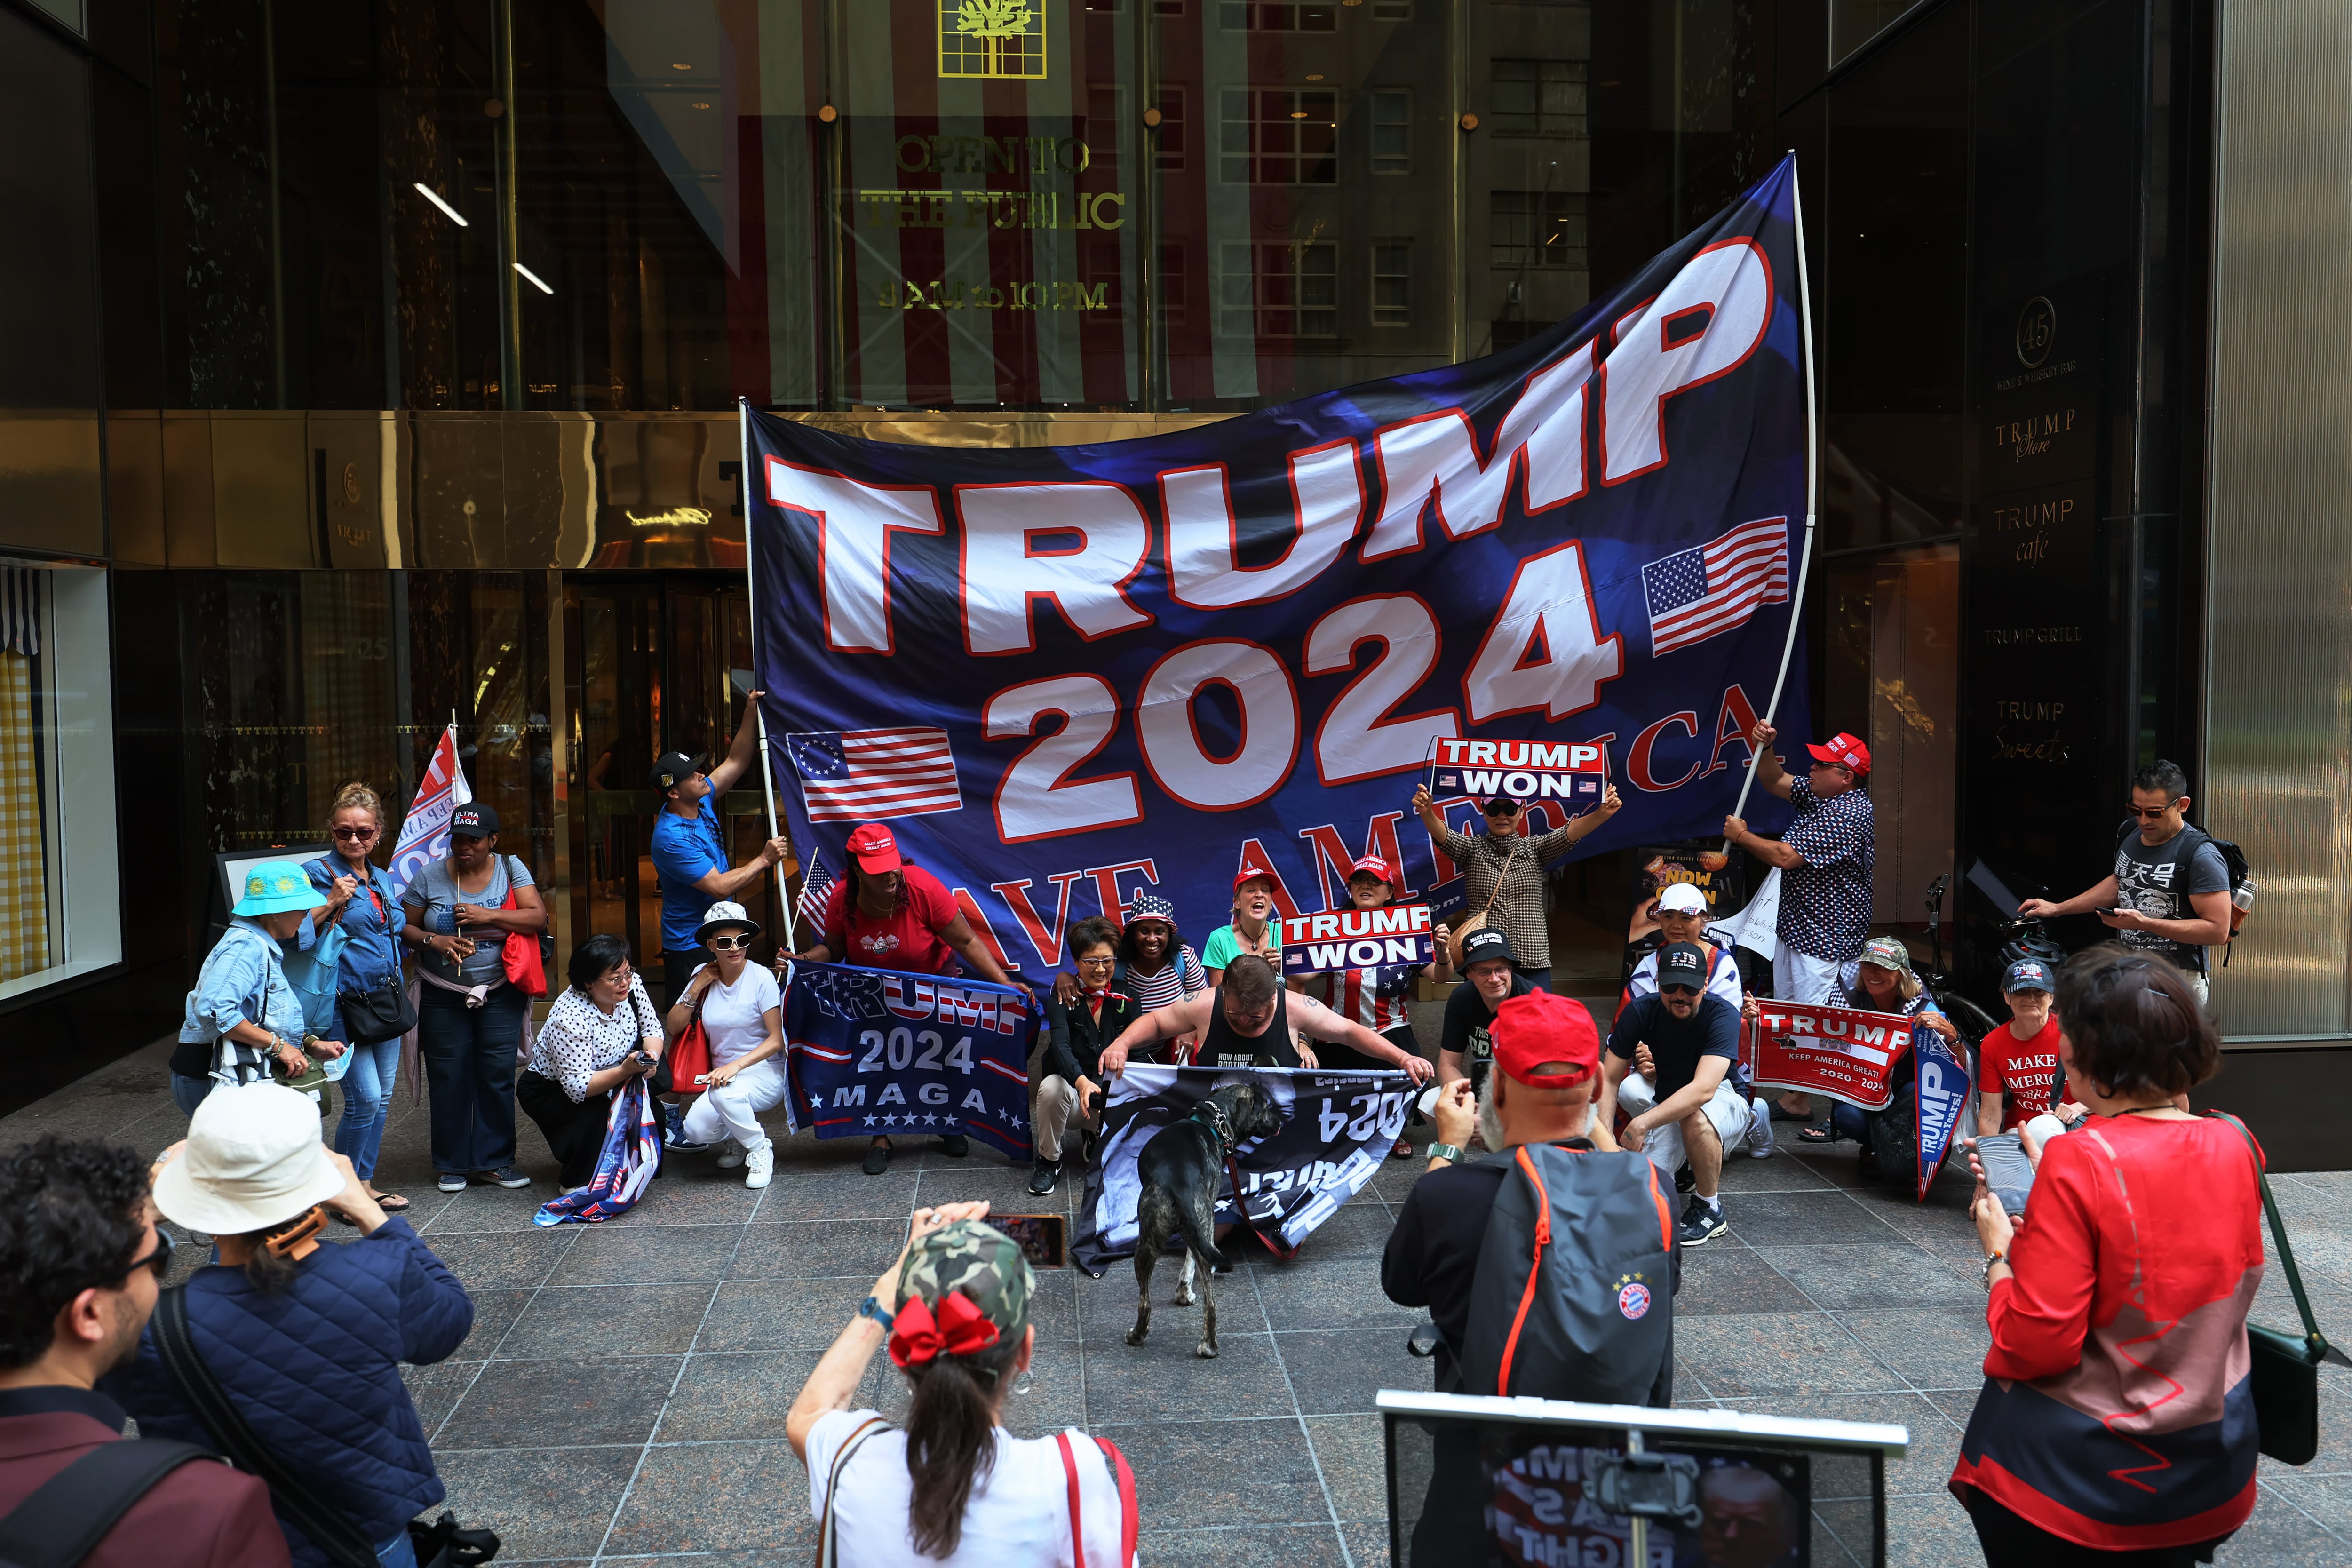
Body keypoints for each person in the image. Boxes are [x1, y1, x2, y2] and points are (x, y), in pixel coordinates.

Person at [1951, 946, 2261, 1565]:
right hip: (2213, 1467)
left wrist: (2002, 1256)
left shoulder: (2079, 1160)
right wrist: (2053, 1196)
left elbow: (2033, 1342)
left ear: (2086, 1054)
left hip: (2088, 1487)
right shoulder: (2237, 1140)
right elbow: (2160, 1223)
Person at [106, 1083, 474, 1568]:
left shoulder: (154, 1326)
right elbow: (448, 1324)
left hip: (232, 1544)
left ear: (197, 1195)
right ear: (321, 1181)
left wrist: (142, 1212)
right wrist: (367, 1209)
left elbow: (74, 1338)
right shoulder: (375, 1272)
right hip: (365, 1538)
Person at [1383, 992, 1669, 1564]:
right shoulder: (1654, 1193)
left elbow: (1402, 1284)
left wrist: (1446, 1145)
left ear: (1497, 1090)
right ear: (1594, 1089)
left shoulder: (1447, 1195)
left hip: (1481, 1477)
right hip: (1612, 1484)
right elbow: (1625, 1174)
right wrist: (1596, 1129)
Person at [786, 1206, 1134, 1565]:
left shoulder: (849, 1458)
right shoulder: (1069, 1478)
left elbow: (809, 1412)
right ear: (1024, 1352)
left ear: (906, 1354)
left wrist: (891, 1285)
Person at [0, 1135, 286, 1567]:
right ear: (91, 1313)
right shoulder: (204, 1509)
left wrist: (130, 1211)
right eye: (157, 1263)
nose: (159, 1281)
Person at [792, 821, 1021, 1174]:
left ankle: (947, 1122)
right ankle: (880, 1135)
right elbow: (834, 947)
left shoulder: (923, 887)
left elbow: (966, 942)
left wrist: (1005, 984)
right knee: (879, 1056)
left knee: (941, 1053)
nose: (889, 876)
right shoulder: (842, 897)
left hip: (932, 979)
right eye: (878, 871)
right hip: (876, 989)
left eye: (892, 864)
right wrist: (803, 961)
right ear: (857, 871)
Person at [1721, 722, 1873, 1120]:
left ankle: (1821, 1098)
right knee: (1792, 1012)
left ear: (1846, 777)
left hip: (1826, 937)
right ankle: (1795, 1095)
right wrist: (1767, 745)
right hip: (1798, 927)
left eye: (1824, 764)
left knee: (1814, 1016)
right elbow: (1773, 779)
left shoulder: (1848, 811)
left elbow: (1786, 856)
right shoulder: (1823, 796)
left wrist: (1742, 836)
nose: (1813, 767)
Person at [398, 804, 545, 1195]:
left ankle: (496, 1161)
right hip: (442, 992)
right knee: (449, 1075)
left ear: (492, 841)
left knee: (496, 1075)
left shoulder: (511, 869)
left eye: (474, 840)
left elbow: (537, 917)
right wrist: (436, 941)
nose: (465, 847)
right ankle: (453, 1162)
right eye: (458, 839)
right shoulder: (429, 877)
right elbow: (406, 927)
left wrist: (488, 916)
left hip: (499, 989)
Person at [2018, 759, 2233, 1005]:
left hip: (2176, 978)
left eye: (2154, 812)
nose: (2144, 820)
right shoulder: (2130, 833)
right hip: (2128, 972)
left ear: (2182, 805)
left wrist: (2146, 924)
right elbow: (2119, 881)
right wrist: (2057, 909)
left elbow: (2218, 931)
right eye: (2136, 809)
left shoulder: (2201, 856)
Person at [302, 782, 410, 1216]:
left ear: (378, 833)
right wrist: (332, 900)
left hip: (383, 1001)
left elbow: (394, 932)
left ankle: (363, 1183)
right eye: (345, 831)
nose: (353, 840)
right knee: (364, 1097)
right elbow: (294, 934)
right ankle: (342, 1190)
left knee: (382, 1097)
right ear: (332, 830)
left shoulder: (381, 878)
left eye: (363, 832)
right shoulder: (315, 874)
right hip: (341, 1006)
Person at [1599, 942, 1753, 1246]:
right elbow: (1608, 1078)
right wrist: (1605, 1137)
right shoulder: (1641, 1010)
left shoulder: (1723, 1015)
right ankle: (1685, 1162)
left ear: (1706, 985)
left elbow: (1703, 1090)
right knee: (1643, 1201)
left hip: (1723, 1093)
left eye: (1690, 987)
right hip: (1668, 1092)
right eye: (1671, 986)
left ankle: (1709, 1208)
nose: (1680, 995)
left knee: (1694, 1116)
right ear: (1658, 983)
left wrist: (1641, 1124)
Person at [648, 690, 790, 1006]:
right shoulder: (671, 838)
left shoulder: (700, 799)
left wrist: (751, 709)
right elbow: (720, 887)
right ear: (673, 793)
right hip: (690, 944)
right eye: (692, 775)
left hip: (715, 932)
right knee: (691, 1024)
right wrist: (764, 859)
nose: (701, 775)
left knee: (720, 1017)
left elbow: (737, 760)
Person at [1412, 781, 1623, 993]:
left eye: (1510, 809)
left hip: (1531, 956)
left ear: (1522, 812)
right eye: (1494, 809)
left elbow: (1570, 833)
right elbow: (1444, 836)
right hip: (1484, 956)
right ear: (1484, 813)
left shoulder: (1535, 849)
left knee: (1538, 1020)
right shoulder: (1472, 850)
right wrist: (1427, 812)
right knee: (1485, 1021)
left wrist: (1603, 813)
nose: (1502, 816)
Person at [170, 860, 343, 1117]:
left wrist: (307, 1043)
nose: (307, 915)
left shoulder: (261, 944)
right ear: (276, 910)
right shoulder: (246, 946)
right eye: (302, 908)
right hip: (211, 1076)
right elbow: (216, 1011)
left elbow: (261, 1015)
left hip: (233, 1074)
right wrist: (280, 1046)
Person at [1097, 954, 1436, 1084]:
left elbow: (1351, 1032)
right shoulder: (1204, 1003)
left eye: (1255, 1014)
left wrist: (1402, 1057)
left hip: (1277, 1122)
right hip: (1218, 1119)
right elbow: (1157, 1021)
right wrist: (1122, 1043)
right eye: (1236, 1012)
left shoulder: (1296, 1005)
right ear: (1223, 993)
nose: (1244, 1019)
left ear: (1274, 997)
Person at [516, 935, 667, 1192]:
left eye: (627, 973)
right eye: (615, 978)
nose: (625, 983)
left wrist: (650, 1057)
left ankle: (632, 1169)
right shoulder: (570, 1016)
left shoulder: (630, 985)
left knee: (649, 1111)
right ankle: (579, 1181)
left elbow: (652, 1027)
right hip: (556, 1088)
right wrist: (624, 1071)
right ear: (589, 983)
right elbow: (577, 1086)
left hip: (617, 1070)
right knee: (594, 1120)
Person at [669, 902, 786, 1189]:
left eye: (742, 940)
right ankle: (735, 1138)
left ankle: (760, 1149)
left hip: (764, 1071)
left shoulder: (761, 978)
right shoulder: (702, 973)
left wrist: (735, 1066)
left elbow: (777, 1039)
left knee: (726, 1094)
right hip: (721, 1077)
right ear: (711, 945)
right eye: (725, 942)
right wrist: (697, 987)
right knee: (694, 1130)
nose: (735, 948)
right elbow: (673, 1027)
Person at [1030, 916, 1138, 1197]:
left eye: (1108, 961)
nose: (1101, 969)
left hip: (1110, 1100)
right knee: (1051, 1087)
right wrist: (1081, 1082)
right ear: (1077, 962)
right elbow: (1060, 1046)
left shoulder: (1127, 996)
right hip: (1075, 1098)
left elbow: (1138, 1051)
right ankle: (1049, 1160)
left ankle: (1095, 1137)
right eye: (1092, 962)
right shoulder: (1064, 994)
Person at [1975, 958, 2078, 1139]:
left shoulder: (2074, 1031)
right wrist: (1988, 1160)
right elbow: (1990, 1115)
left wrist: (2078, 1108)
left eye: (2039, 992)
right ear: (2007, 997)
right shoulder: (1993, 1044)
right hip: (2022, 1126)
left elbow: (2113, 1090)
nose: (2031, 998)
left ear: (2052, 998)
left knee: (2045, 1131)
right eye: (2021, 992)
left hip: (2074, 1124)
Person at [1437, 926, 1535, 1093]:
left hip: (1528, 1091)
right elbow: (1448, 1064)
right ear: (1469, 974)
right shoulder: (1461, 998)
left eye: (1501, 969)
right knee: (1429, 1102)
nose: (1494, 979)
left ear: (1510, 968)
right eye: (1484, 972)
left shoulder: (1532, 1001)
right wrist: (1467, 1102)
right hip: (1486, 1088)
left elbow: (1545, 1073)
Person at [1621, 882, 1742, 1012]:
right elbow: (1629, 1020)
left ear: (1703, 922)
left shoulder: (1722, 966)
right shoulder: (1649, 967)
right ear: (1659, 920)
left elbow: (1728, 1018)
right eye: (1668, 916)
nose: (1676, 925)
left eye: (1686, 918)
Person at [1114, 893, 1208, 1014]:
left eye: (1159, 932)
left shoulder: (1185, 958)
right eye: (1144, 931)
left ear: (1169, 935)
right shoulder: (1117, 963)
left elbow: (1201, 1008)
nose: (1152, 939)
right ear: (1133, 934)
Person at [1199, 862, 1283, 986]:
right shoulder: (1220, 939)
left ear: (1270, 903)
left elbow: (1299, 994)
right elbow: (1220, 998)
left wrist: (1286, 969)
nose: (1259, 895)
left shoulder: (1286, 934)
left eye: (1265, 890)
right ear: (1237, 902)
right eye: (1251, 890)